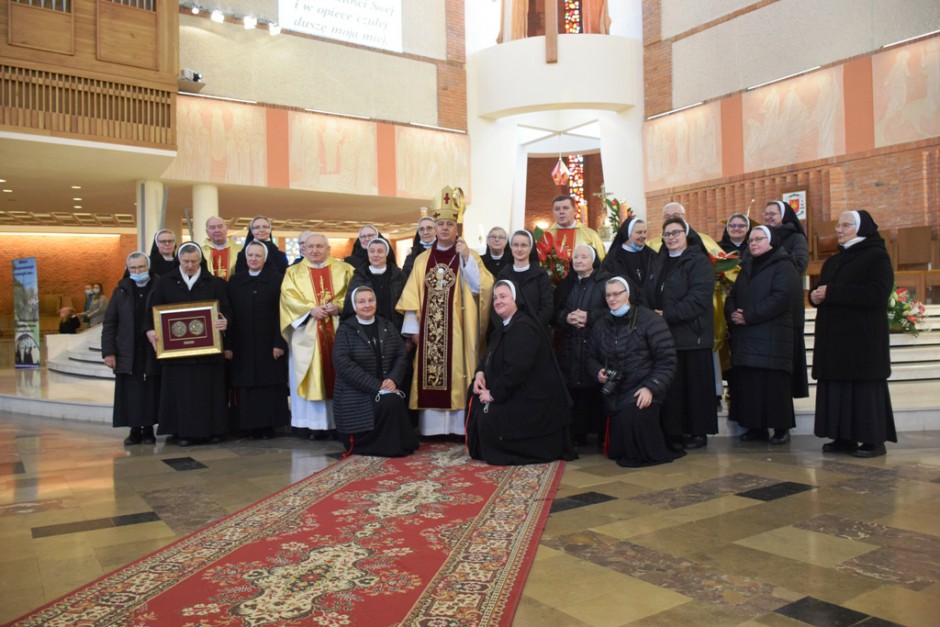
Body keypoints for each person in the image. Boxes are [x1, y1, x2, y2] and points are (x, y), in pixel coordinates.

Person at [396, 186, 494, 437]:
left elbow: (481, 288)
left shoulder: (469, 255)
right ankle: (433, 429)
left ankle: (459, 428)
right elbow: (412, 298)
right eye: (441, 224)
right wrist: (413, 332)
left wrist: (466, 260)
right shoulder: (422, 260)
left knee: (460, 373)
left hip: (460, 329)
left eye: (450, 224)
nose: (444, 229)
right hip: (429, 335)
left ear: (456, 228)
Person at [810, 210, 896, 458]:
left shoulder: (876, 256)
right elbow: (824, 289)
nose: (838, 229)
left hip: (863, 339)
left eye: (845, 225)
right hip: (836, 340)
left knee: (863, 390)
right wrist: (813, 296)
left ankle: (873, 440)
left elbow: (876, 293)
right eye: (838, 225)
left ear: (862, 228)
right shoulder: (835, 259)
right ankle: (843, 437)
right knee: (839, 388)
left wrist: (832, 292)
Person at [467, 280, 576, 465]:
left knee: (490, 415)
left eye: (503, 297)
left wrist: (494, 394)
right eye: (495, 298)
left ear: (516, 299)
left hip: (532, 397)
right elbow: (489, 355)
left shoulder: (524, 327)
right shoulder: (504, 326)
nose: (498, 301)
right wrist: (480, 373)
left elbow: (516, 370)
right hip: (515, 388)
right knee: (475, 395)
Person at [586, 277, 683, 467]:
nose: (612, 299)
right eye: (608, 295)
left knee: (634, 423)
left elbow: (667, 360)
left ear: (628, 294)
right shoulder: (601, 323)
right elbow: (590, 357)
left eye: (616, 294)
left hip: (643, 388)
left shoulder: (650, 320)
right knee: (618, 448)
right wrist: (598, 371)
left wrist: (650, 388)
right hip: (614, 391)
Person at [145, 243, 232, 447]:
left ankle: (213, 430)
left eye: (194, 261)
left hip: (209, 354)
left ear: (200, 260)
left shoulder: (215, 283)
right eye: (186, 262)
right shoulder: (165, 282)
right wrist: (150, 330)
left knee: (208, 392)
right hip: (177, 354)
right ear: (179, 261)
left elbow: (227, 310)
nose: (190, 266)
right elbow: (153, 311)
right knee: (181, 393)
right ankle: (180, 431)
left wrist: (225, 321)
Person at [644, 218, 717, 450]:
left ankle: (698, 431)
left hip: (692, 333)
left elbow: (699, 298)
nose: (671, 237)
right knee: (673, 388)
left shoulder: (699, 261)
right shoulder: (659, 261)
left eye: (676, 233)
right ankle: (675, 430)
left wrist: (668, 314)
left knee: (695, 387)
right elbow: (648, 289)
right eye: (667, 234)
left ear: (687, 234)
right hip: (665, 335)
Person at [725, 226, 801, 444]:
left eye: (759, 239)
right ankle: (756, 427)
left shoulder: (784, 266)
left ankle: (780, 428)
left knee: (774, 385)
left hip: (773, 337)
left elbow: (781, 298)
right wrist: (732, 313)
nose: (753, 243)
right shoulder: (747, 266)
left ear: (771, 242)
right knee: (752, 385)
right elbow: (732, 295)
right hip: (748, 337)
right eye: (751, 240)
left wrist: (748, 315)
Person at [280, 233, 354, 439]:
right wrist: (309, 310)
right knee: (310, 375)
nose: (315, 250)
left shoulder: (346, 269)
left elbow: (353, 295)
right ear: (303, 250)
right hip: (308, 334)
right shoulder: (293, 272)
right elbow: (288, 299)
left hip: (339, 331)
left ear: (328, 249)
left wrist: (338, 307)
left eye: (320, 246)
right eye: (310, 247)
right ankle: (312, 426)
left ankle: (337, 424)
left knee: (339, 374)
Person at [333, 286, 419, 457]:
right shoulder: (345, 330)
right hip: (355, 391)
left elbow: (401, 354)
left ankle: (399, 444)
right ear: (354, 305)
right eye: (361, 301)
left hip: (385, 386)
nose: (367, 305)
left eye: (371, 300)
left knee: (394, 399)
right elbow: (343, 364)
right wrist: (377, 386)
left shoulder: (386, 325)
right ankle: (386, 446)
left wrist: (393, 379)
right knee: (391, 401)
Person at [227, 240, 289, 439]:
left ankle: (268, 426)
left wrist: (279, 342)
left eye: (258, 256)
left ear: (265, 258)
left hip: (269, 343)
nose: (253, 259)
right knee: (246, 385)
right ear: (245, 258)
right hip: (242, 344)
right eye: (250, 255)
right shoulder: (235, 281)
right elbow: (229, 314)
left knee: (268, 384)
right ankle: (248, 425)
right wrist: (228, 345)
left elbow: (283, 313)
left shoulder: (277, 280)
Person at [553, 244, 609, 446]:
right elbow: (554, 313)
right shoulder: (567, 284)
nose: (578, 260)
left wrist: (589, 316)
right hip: (569, 344)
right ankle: (577, 433)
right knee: (573, 387)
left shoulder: (604, 283)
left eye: (583, 257)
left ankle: (596, 432)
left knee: (592, 387)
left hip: (594, 345)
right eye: (575, 257)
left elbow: (613, 310)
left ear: (593, 260)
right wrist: (567, 318)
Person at [102, 252, 160, 445]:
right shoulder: (121, 291)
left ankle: (149, 429)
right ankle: (134, 430)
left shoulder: (159, 286)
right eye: (133, 268)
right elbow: (110, 322)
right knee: (131, 392)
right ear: (128, 269)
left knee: (150, 390)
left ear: (148, 267)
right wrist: (108, 352)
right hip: (129, 349)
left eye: (141, 267)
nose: (137, 271)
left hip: (152, 348)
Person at [763, 200, 810, 399]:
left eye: (773, 213)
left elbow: (799, 265)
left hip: (788, 306)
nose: (768, 217)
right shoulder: (762, 237)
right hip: (765, 308)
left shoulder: (796, 238)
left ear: (785, 215)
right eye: (766, 214)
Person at [342, 237, 405, 330]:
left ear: (386, 254)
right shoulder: (359, 276)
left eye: (380, 251)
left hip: (396, 329)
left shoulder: (399, 276)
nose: (375, 255)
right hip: (366, 330)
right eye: (372, 251)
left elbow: (406, 305)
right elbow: (350, 307)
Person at [494, 230, 553, 328]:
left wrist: (532, 327)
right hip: (507, 332)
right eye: (515, 245)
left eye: (524, 245)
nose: (519, 249)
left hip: (535, 331)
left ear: (531, 248)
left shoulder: (540, 274)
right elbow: (495, 305)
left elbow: (547, 307)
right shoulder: (503, 275)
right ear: (511, 247)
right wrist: (505, 327)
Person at [546, 194, 606, 264]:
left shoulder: (591, 235)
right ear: (552, 212)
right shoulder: (546, 236)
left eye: (565, 208)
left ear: (575, 210)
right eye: (557, 209)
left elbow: (602, 261)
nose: (561, 212)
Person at [647, 201, 721, 255]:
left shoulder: (705, 239)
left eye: (676, 216)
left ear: (684, 217)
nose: (672, 220)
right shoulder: (650, 245)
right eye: (667, 217)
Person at [602, 216, 653, 291]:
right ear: (628, 234)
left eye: (645, 232)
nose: (643, 236)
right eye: (639, 232)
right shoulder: (613, 257)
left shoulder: (651, 254)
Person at [202, 216, 241, 280]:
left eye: (220, 227)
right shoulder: (201, 252)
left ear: (226, 228)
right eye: (212, 228)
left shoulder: (240, 250)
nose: (217, 230)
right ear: (207, 232)